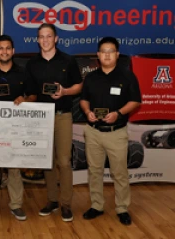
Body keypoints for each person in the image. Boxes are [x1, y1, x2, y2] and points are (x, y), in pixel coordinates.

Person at [80, 36, 141, 226]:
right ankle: (97, 205)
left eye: (111, 51)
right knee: (95, 171)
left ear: (117, 54)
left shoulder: (127, 76)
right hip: (93, 132)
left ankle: (122, 208)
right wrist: (87, 111)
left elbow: (136, 101)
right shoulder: (90, 77)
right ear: (98, 55)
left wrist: (118, 113)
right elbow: (83, 99)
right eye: (103, 52)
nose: (107, 55)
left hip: (116, 132)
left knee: (119, 173)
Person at [26, 23, 83, 222]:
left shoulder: (68, 60)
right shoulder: (32, 64)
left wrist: (65, 91)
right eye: (41, 36)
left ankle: (66, 204)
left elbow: (79, 85)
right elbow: (31, 93)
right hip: (41, 117)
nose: (45, 40)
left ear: (56, 38)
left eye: (48, 36)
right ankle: (52, 200)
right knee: (47, 161)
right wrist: (24, 101)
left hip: (62, 115)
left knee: (64, 161)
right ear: (37, 39)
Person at [0, 35, 36, 221]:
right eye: (0, 48)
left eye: (7, 48)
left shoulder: (23, 72)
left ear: (13, 51)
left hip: (15, 126)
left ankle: (16, 205)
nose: (4, 51)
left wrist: (25, 99)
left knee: (14, 166)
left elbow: (34, 95)